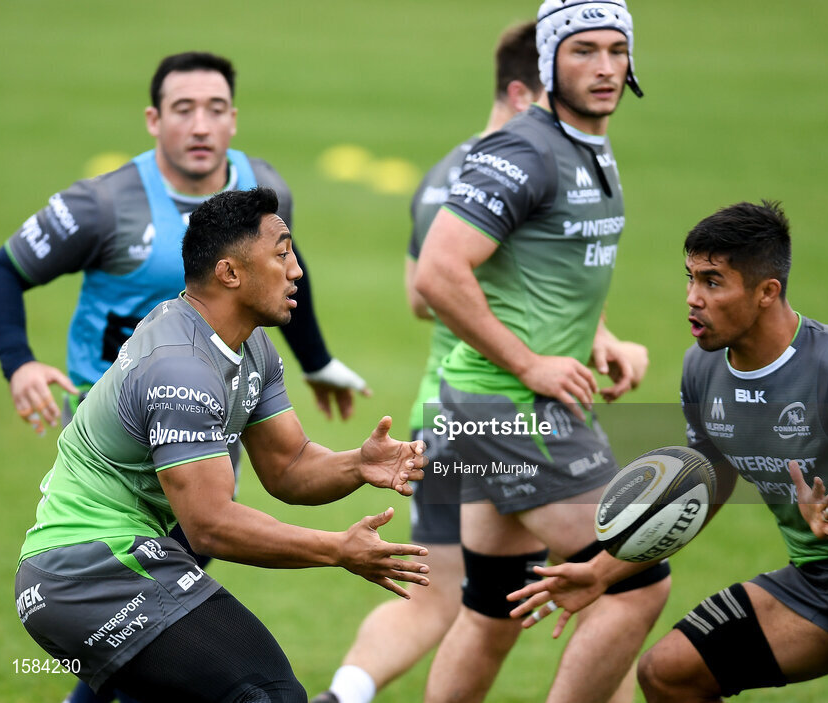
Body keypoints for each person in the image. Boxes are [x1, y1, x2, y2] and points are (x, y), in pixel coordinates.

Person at [509, 200, 828, 703]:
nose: (692, 298)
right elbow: (700, 490)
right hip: (818, 580)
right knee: (668, 673)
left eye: (712, 282)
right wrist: (600, 573)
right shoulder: (702, 370)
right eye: (690, 278)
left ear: (766, 292)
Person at [14, 186, 430, 701]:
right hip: (90, 572)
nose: (297, 270)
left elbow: (289, 465)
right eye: (282, 255)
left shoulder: (250, 346)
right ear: (230, 273)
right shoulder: (181, 367)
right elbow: (210, 525)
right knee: (269, 694)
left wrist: (358, 464)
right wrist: (338, 549)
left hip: (97, 570)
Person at [415, 3, 669, 702]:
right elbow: (437, 271)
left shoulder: (584, 142)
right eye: (583, 51)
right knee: (635, 579)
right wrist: (530, 364)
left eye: (616, 50)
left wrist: (599, 336)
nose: (605, 67)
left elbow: (550, 266)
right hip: (515, 407)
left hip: (491, 405)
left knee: (493, 608)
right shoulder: (526, 149)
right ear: (550, 63)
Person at [312, 21, 545, 703]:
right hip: (520, 415)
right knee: (609, 587)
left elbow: (421, 296)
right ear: (525, 94)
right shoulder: (531, 173)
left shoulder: (447, 170)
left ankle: (343, 695)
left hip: (440, 413)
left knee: (437, 595)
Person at [0, 50, 368, 443]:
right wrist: (19, 363)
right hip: (111, 425)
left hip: (212, 411)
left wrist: (316, 360)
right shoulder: (102, 206)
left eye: (216, 110)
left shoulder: (263, 190)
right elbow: (1, 273)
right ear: (154, 120)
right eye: (183, 110)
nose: (201, 127)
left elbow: (279, 270)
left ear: (233, 120)